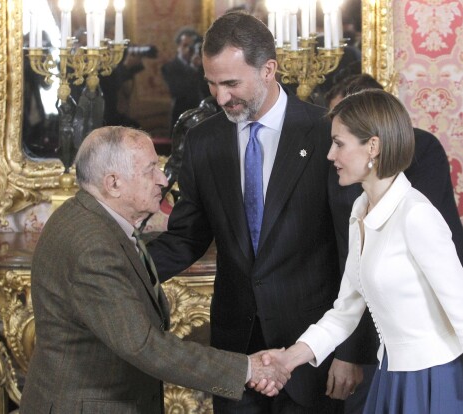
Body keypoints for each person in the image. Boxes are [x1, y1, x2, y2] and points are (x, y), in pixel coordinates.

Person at [148, 11, 372, 414]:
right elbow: (187, 237)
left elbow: (354, 249)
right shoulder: (204, 141)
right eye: (212, 84)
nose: (220, 97)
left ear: (269, 69)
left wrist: (351, 351)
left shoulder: (325, 133)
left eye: (232, 83)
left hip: (313, 350)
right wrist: (124, 268)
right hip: (236, 353)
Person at [19, 126, 290, 413]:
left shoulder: (90, 218)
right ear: (113, 183)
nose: (162, 180)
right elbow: (144, 345)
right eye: (151, 170)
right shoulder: (93, 246)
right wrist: (248, 369)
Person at [265, 89, 463, 414]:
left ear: (372, 146)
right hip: (389, 374)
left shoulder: (416, 215)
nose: (330, 155)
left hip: (434, 381)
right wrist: (289, 358)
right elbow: (345, 312)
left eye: (339, 143)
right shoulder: (360, 211)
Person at [327, 74, 463, 306]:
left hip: (430, 291)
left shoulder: (422, 151)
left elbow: (405, 225)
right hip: (374, 291)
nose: (332, 152)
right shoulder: (341, 171)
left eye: (341, 139)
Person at [162, 27, 208, 132]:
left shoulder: (204, 68)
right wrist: (192, 68)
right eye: (185, 45)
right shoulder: (169, 67)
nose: (188, 50)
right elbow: (177, 91)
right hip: (181, 119)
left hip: (203, 118)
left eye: (191, 46)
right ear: (178, 46)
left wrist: (201, 68)